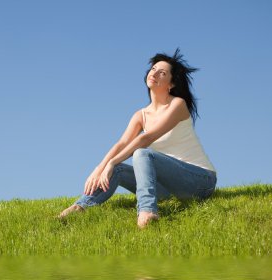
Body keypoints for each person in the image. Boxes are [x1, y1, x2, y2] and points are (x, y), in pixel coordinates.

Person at [58, 47, 217, 228]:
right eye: (153, 69)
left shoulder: (177, 105)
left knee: (142, 154)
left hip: (200, 181)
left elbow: (146, 138)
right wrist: (100, 168)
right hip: (167, 186)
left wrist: (110, 163)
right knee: (117, 169)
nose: (155, 73)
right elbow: (122, 143)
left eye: (162, 72)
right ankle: (82, 205)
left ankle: (147, 211)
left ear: (171, 84)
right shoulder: (141, 115)